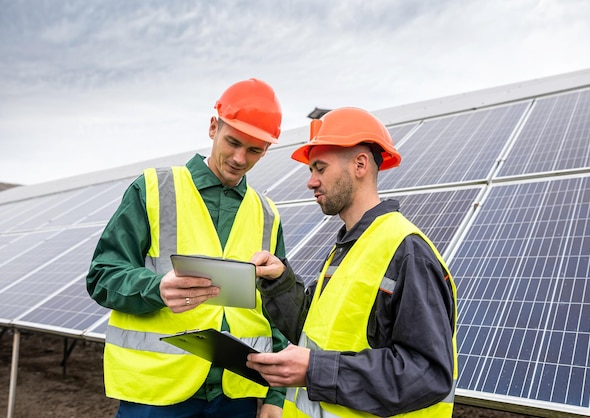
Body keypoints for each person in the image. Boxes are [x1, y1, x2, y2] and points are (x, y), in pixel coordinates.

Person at [86, 78, 290, 418]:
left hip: (234, 394)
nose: (240, 158)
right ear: (213, 127)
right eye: (233, 142)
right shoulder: (153, 188)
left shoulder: (268, 213)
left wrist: (277, 394)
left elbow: (276, 309)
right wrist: (155, 287)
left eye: (254, 150)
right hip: (157, 394)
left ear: (267, 149)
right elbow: (102, 276)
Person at [247, 107, 458, 417]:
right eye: (311, 171)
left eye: (319, 168)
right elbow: (315, 330)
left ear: (360, 165)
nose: (311, 182)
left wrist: (315, 370)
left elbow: (427, 374)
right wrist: (279, 283)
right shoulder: (347, 246)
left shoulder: (407, 252)